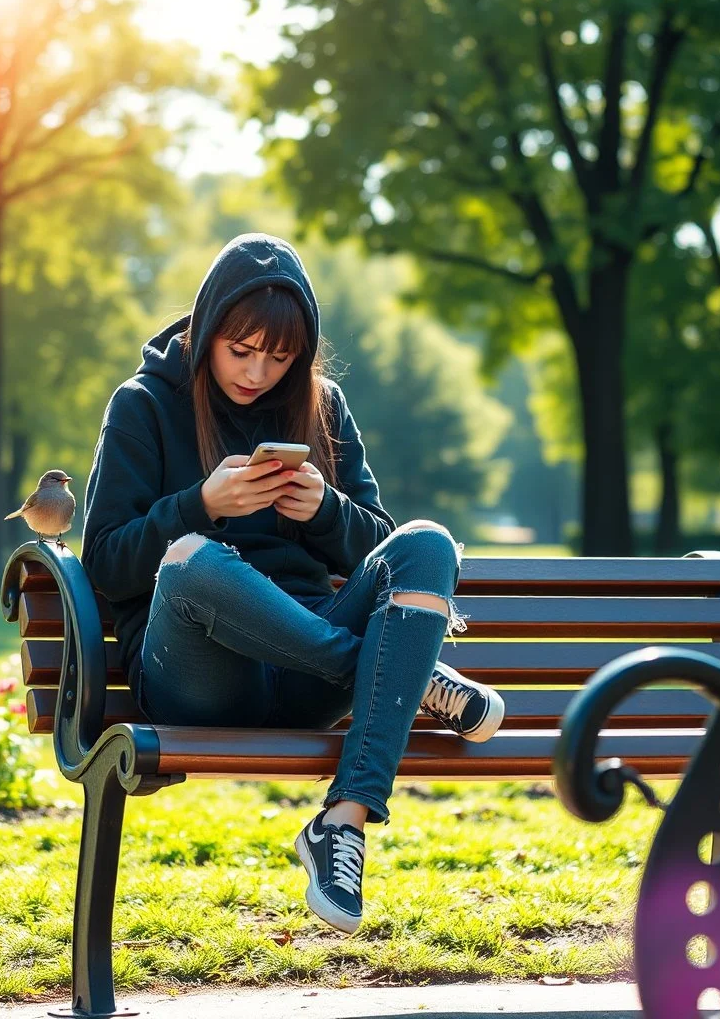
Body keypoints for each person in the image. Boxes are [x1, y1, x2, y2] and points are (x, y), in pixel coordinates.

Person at [81, 233, 505, 935]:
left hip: (305, 684)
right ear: (209, 327)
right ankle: (405, 678)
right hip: (201, 681)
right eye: (241, 350)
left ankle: (343, 822)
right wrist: (202, 505)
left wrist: (327, 513)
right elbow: (104, 562)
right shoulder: (143, 405)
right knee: (193, 557)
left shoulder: (322, 405)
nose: (256, 373)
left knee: (428, 540)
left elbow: (387, 547)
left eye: (278, 358)